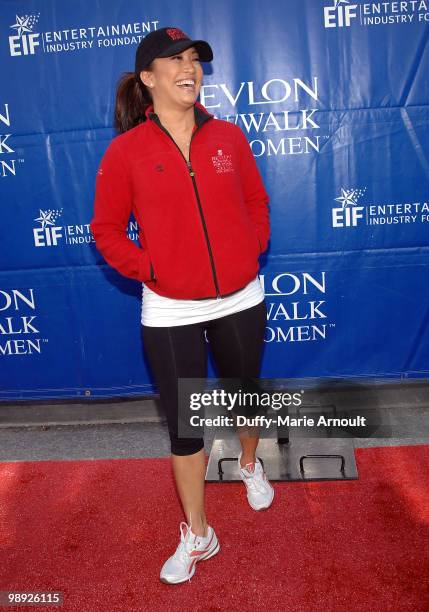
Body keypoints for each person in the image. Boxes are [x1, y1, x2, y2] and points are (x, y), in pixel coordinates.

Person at [90, 26, 274, 585]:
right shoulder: (126, 152)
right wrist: (154, 268)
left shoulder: (229, 138)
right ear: (149, 79)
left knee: (246, 397)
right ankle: (199, 533)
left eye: (194, 58)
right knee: (185, 428)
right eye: (175, 60)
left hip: (240, 295)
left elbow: (255, 201)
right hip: (170, 309)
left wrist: (251, 247)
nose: (188, 67)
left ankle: (248, 463)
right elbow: (106, 231)